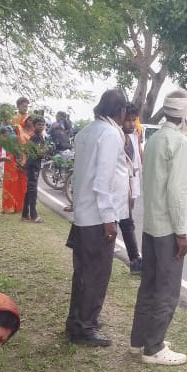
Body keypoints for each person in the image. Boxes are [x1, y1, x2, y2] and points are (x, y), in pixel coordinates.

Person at [129, 89, 187, 366]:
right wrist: (181, 233)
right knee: (167, 289)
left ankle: (139, 340)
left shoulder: (155, 138)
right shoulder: (180, 142)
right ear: (185, 114)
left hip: (151, 225)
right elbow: (177, 192)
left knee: (149, 285)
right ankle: (154, 347)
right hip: (168, 228)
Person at [65, 89, 129, 347]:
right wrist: (109, 219)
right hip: (97, 217)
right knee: (96, 274)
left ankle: (77, 321)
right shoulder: (110, 133)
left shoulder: (86, 132)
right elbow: (103, 181)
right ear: (121, 111)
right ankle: (85, 327)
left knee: (83, 273)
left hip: (84, 214)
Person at [120, 103, 143, 274]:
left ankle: (135, 258)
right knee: (126, 222)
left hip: (130, 183)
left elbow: (136, 161)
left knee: (127, 221)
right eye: (128, 120)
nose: (131, 123)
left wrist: (134, 190)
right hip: (119, 187)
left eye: (133, 120)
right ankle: (134, 259)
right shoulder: (116, 137)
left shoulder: (134, 135)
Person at [2, 97, 33, 215]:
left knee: (23, 179)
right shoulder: (12, 119)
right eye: (23, 106)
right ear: (18, 106)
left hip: (25, 152)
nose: (25, 108)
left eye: (27, 106)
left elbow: (32, 133)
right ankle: (8, 206)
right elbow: (6, 135)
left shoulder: (29, 118)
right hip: (12, 151)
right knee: (11, 179)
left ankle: (20, 205)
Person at [21, 117, 47, 223]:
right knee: (32, 191)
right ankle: (33, 215)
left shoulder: (40, 137)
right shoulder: (34, 137)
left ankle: (24, 214)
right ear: (34, 125)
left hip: (35, 165)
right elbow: (36, 153)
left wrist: (44, 150)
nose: (41, 127)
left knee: (29, 190)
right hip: (32, 166)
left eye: (43, 125)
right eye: (39, 125)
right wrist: (44, 151)